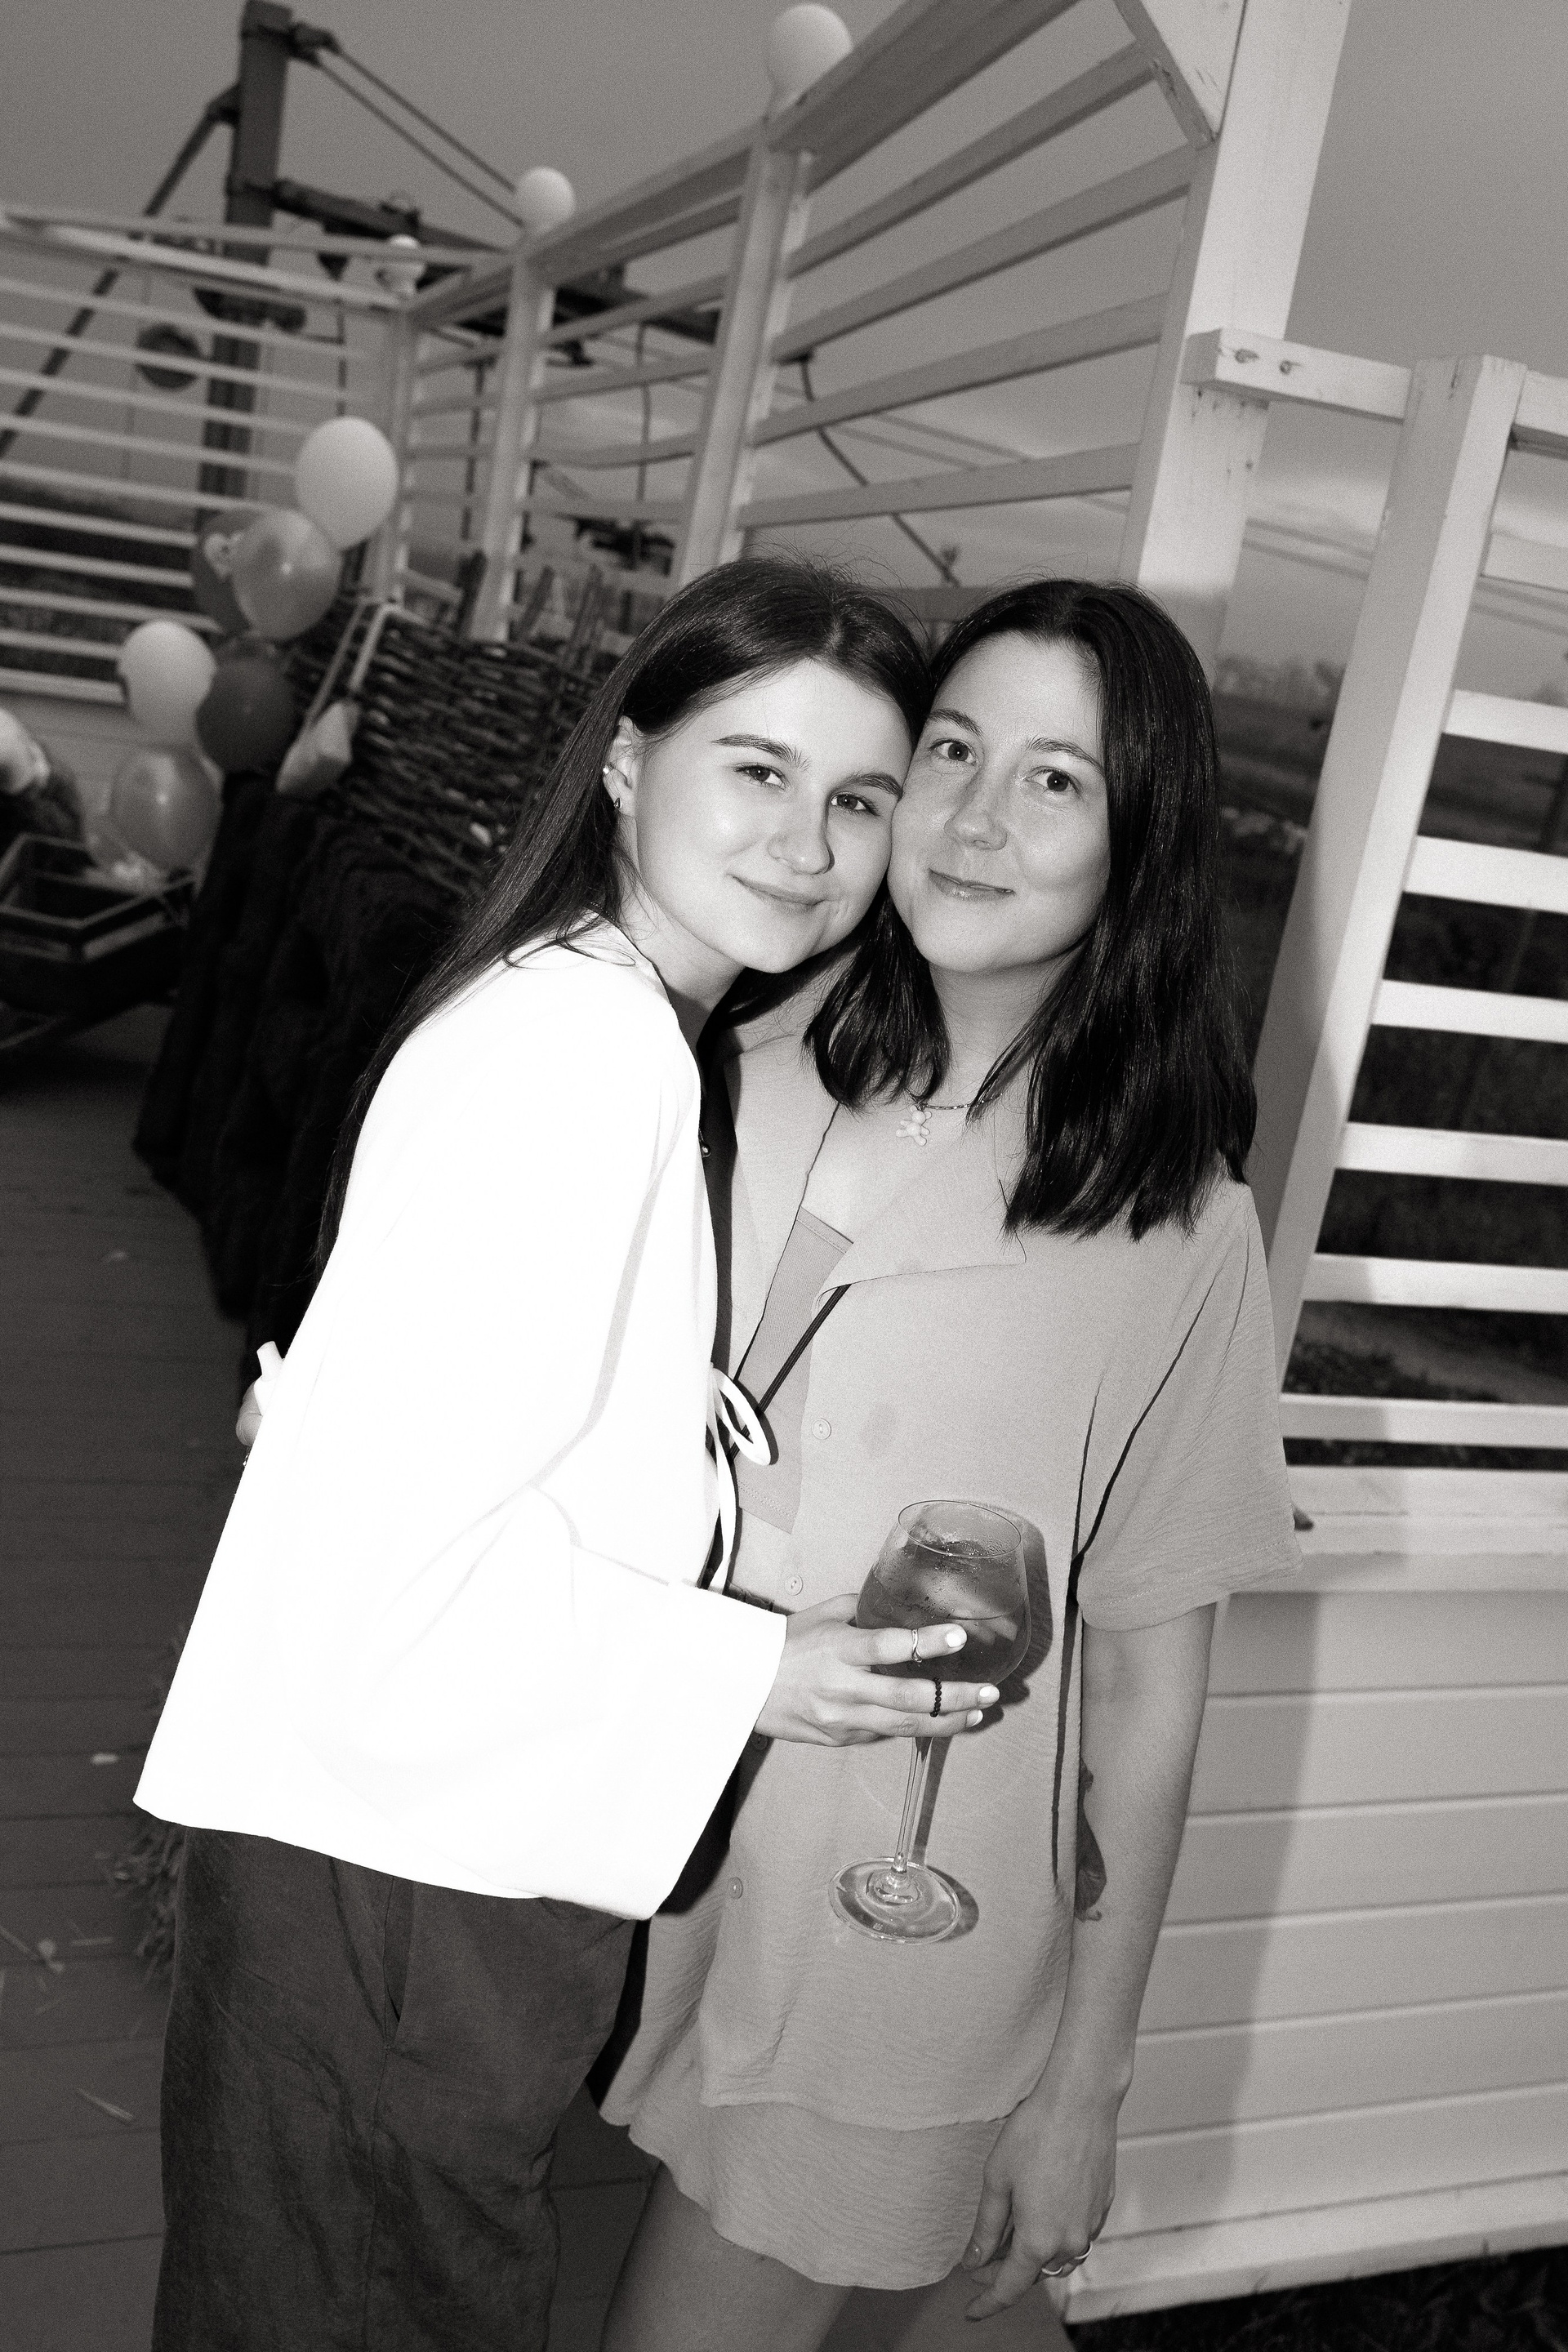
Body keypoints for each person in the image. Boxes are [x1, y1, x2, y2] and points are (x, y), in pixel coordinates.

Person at [135, 559, 1001, 2352]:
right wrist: (765, 1670)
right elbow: (404, 1578)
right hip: (404, 1879)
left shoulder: (583, 1015)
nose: (808, 843)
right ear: (625, 762)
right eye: (756, 768)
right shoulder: (586, 1065)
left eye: (857, 799)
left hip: (374, 1858)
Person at [599, 579, 1300, 2351]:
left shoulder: (1175, 1227)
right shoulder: (722, 1055)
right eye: (953, 753)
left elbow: (1147, 1678)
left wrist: (1088, 2079)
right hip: (619, 1819)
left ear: (1139, 848)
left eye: (1055, 781)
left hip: (890, 1928)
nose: (978, 818)